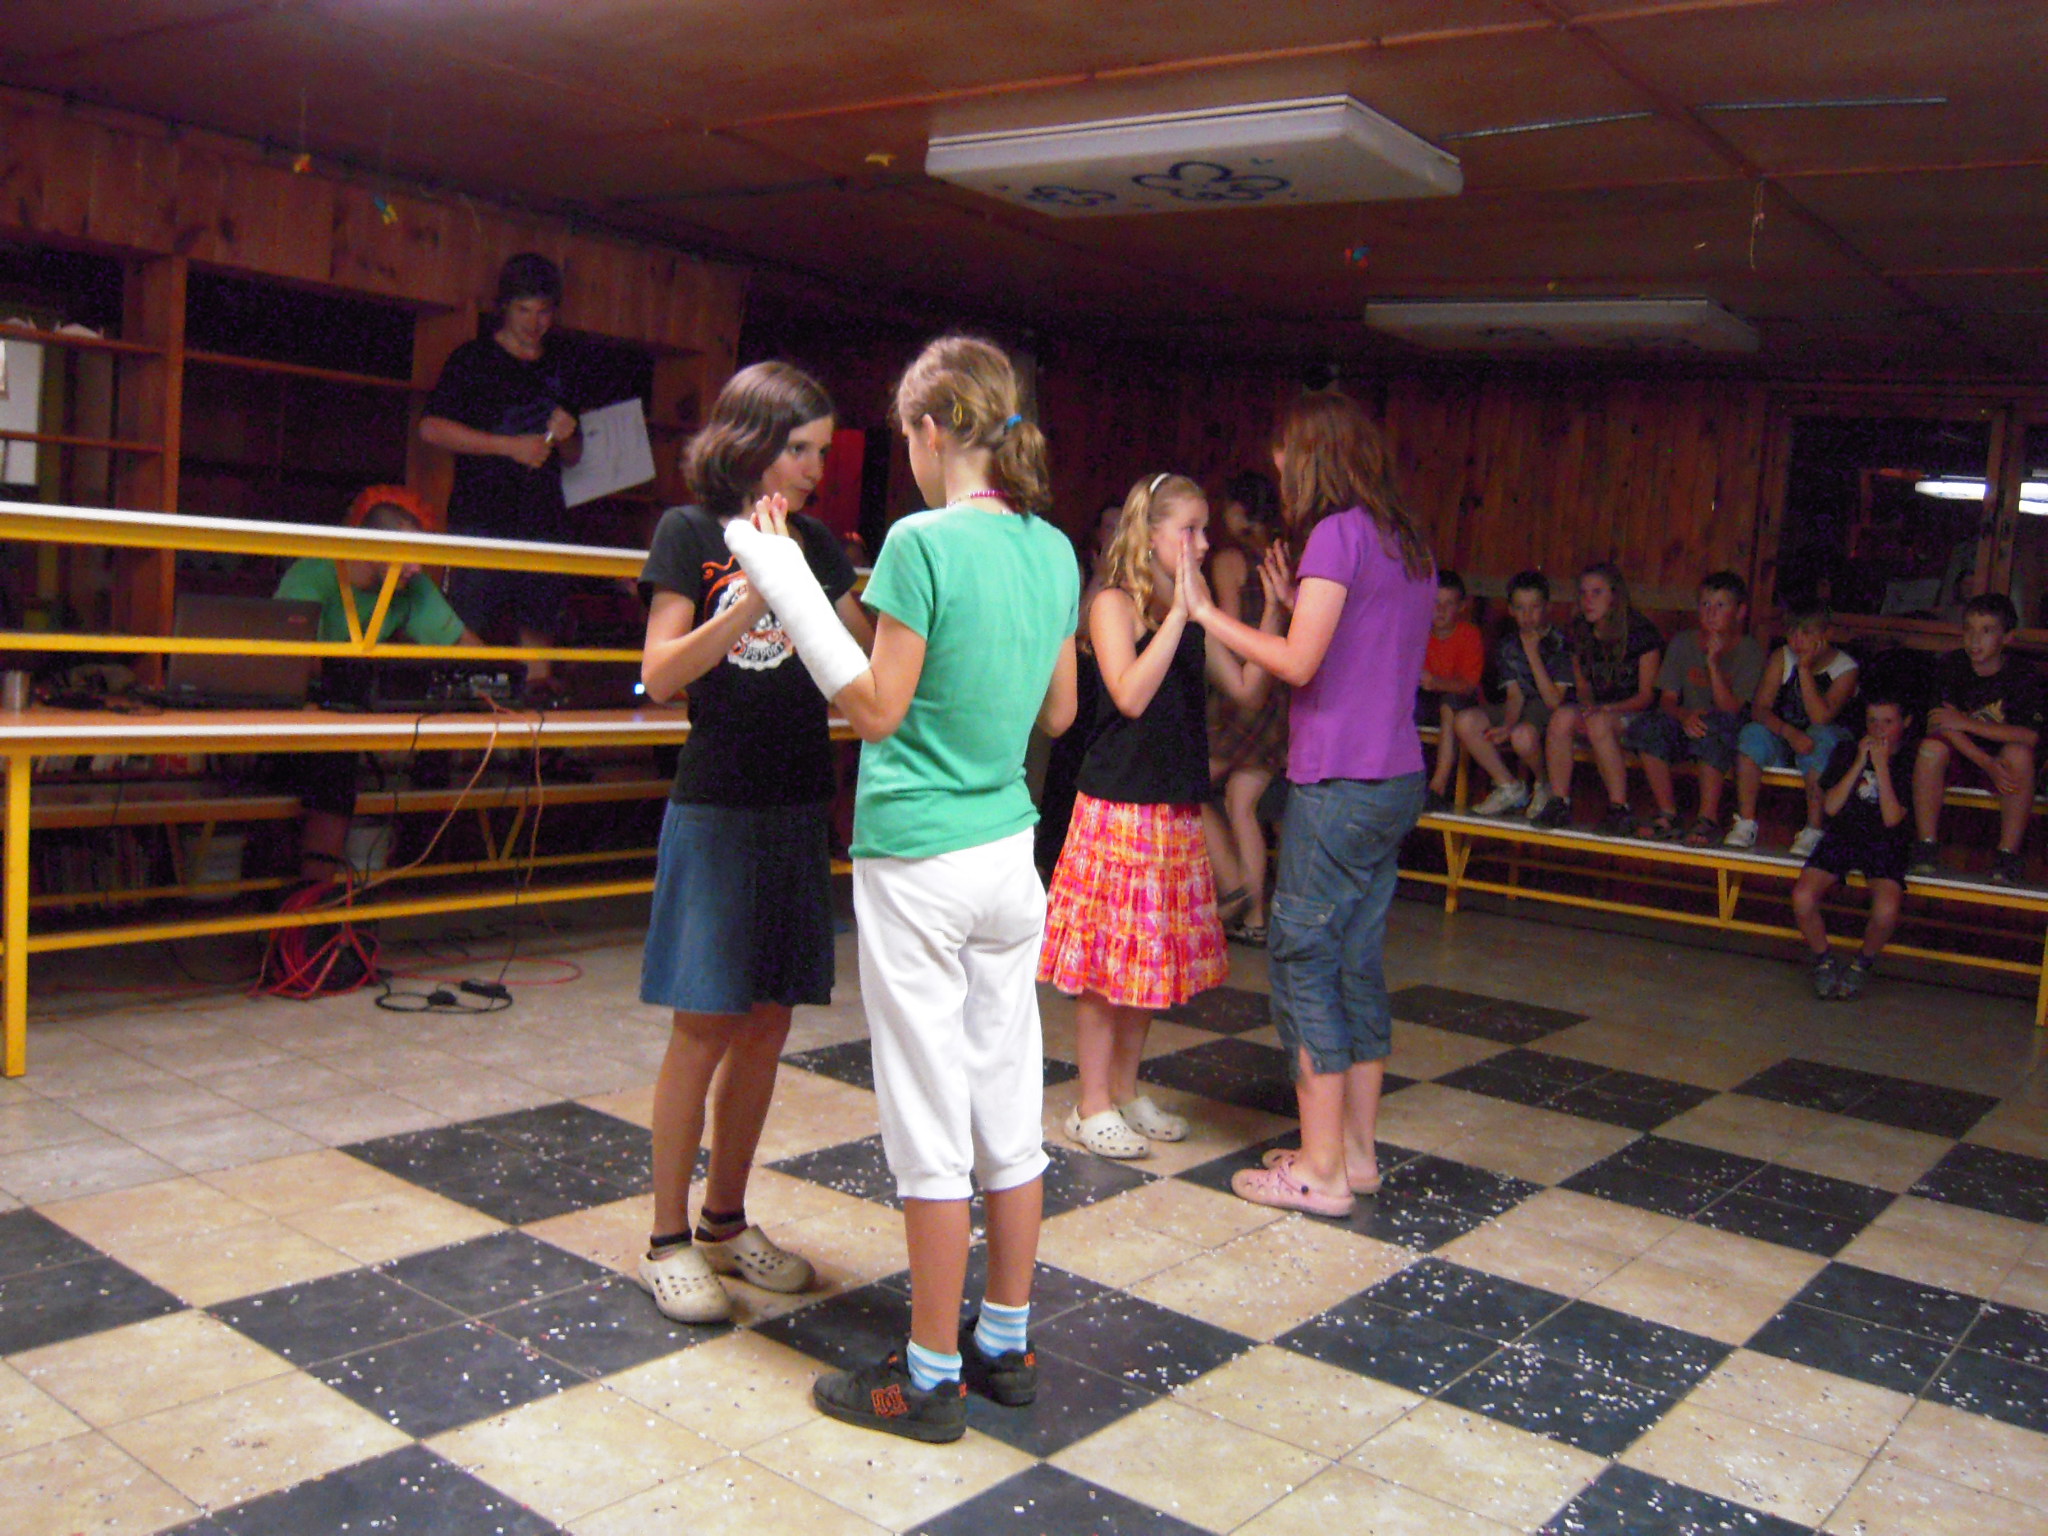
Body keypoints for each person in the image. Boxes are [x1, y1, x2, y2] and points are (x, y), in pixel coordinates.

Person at [718, 335, 1078, 1443]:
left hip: (919, 859)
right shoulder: (1054, 546)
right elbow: (1059, 713)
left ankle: (927, 1379)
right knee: (1006, 1107)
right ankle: (1004, 1346)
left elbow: (874, 709)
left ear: (927, 431)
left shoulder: (922, 540)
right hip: (1008, 857)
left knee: (928, 1121)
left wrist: (785, 583)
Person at [632, 362, 871, 1324]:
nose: (815, 467)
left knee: (769, 1024)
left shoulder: (817, 542)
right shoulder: (690, 532)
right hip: (718, 807)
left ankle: (726, 1220)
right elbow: (660, 675)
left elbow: (862, 658)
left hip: (797, 803)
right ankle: (666, 1238)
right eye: (800, 448)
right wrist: (752, 600)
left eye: (822, 450)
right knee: (703, 1026)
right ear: (753, 443)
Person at [1184, 391, 1434, 1217]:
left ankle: (1319, 1172)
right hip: (1394, 777)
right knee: (1355, 960)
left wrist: (1206, 612)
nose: (1280, 466)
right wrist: (1294, 607)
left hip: (1340, 782)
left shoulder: (1336, 534)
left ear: (1316, 455)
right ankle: (1355, 1155)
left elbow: (1295, 664)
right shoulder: (1403, 538)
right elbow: (1351, 648)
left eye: (1287, 452)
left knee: (1303, 964)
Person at [1041, 473, 1278, 1160]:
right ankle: (1089, 1104)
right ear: (1150, 535)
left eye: (1205, 530)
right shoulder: (1112, 604)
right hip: (1116, 807)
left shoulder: (1192, 609)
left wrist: (1274, 611)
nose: (1202, 545)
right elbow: (1130, 695)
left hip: (1172, 808)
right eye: (1189, 531)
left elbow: (1247, 688)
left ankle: (1125, 1088)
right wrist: (1181, 616)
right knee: (1106, 969)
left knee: (1147, 965)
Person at [272, 487, 481, 880]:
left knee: (426, 754)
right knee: (333, 759)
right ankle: (314, 892)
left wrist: (502, 677)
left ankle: (418, 880)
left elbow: (469, 650)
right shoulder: (312, 573)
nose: (417, 567)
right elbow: (289, 664)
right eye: (407, 555)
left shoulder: (411, 584)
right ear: (371, 546)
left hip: (352, 715)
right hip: (298, 714)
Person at [418, 253, 585, 695]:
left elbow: (574, 456)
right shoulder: (473, 359)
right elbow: (431, 428)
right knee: (469, 622)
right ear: (505, 308)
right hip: (481, 517)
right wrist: (509, 446)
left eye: (543, 312)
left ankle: (537, 726)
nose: (534, 323)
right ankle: (454, 727)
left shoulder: (561, 366)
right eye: (523, 310)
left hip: (544, 519)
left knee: (539, 626)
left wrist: (567, 435)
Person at [1201, 470, 1287, 943]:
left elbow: (1230, 629)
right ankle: (1253, 920)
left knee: (1187, 782)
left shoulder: (1230, 559)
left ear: (1239, 507)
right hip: (1279, 693)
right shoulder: (1286, 555)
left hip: (1241, 695)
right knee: (1242, 803)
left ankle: (1234, 893)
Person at [1910, 592, 2044, 886]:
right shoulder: (1951, 664)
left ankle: (2007, 855)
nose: (1974, 639)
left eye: (1986, 631)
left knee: (2020, 754)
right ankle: (1926, 846)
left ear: (2007, 637)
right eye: (1969, 629)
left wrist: (1966, 723)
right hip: (1965, 757)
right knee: (1930, 749)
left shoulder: (2022, 674)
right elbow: (1940, 723)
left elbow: (2029, 735)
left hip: (2003, 766)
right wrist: (1985, 762)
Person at [1791, 689, 1915, 1000]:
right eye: (1872, 721)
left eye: (1887, 722)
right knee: (1803, 897)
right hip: (1843, 834)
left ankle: (1862, 964)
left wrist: (1881, 766)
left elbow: (1892, 818)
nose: (1878, 729)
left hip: (1885, 841)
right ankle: (1823, 959)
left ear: (1905, 723)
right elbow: (1831, 807)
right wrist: (1860, 761)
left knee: (1886, 910)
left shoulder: (1909, 760)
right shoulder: (1847, 751)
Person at [1630, 571, 1765, 844]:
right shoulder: (1683, 642)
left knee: (1715, 727)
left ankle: (1707, 819)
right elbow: (1667, 699)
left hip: (1725, 730)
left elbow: (1731, 708)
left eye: (1720, 606)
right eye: (1705, 604)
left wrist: (1713, 664)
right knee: (1648, 727)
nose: (1711, 613)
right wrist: (1684, 715)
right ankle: (1667, 813)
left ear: (1740, 612)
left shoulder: (1749, 650)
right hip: (1687, 723)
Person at [1531, 563, 1664, 834]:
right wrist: (1588, 707)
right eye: (1583, 593)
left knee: (1599, 724)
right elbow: (1582, 685)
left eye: (1597, 592)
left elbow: (1646, 696)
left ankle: (1619, 807)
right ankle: (1559, 801)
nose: (1588, 600)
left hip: (1635, 713)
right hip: (1598, 709)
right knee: (1561, 718)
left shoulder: (1641, 633)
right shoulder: (1579, 631)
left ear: (1614, 595)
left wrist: (1606, 709)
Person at [1727, 605, 1858, 854]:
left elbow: (1820, 718)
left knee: (1819, 738)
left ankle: (1814, 829)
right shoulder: (1782, 657)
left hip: (1827, 749)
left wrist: (1805, 670)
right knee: (1752, 733)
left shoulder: (1845, 668)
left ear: (1826, 634)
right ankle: (1745, 822)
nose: (1797, 640)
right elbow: (1760, 709)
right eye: (1792, 632)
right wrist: (1789, 733)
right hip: (1787, 737)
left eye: (1806, 633)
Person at [1455, 569, 1572, 817]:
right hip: (1521, 709)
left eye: (1534, 607)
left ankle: (1544, 784)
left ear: (1547, 607)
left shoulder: (1561, 643)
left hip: (1548, 712)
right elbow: (1514, 694)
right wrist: (1507, 725)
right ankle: (1509, 786)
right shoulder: (1508, 645)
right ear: (1510, 610)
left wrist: (1532, 652)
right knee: (1466, 721)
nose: (1527, 616)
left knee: (1522, 736)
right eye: (1520, 608)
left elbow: (1554, 701)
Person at [1419, 570, 1484, 810]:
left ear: (1461, 607)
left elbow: (1468, 685)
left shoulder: (1469, 635)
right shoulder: (1417, 631)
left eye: (1449, 604)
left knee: (1449, 705)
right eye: (1436, 602)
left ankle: (1437, 788)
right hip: (1424, 701)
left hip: (1460, 703)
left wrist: (1435, 682)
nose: (1440, 610)